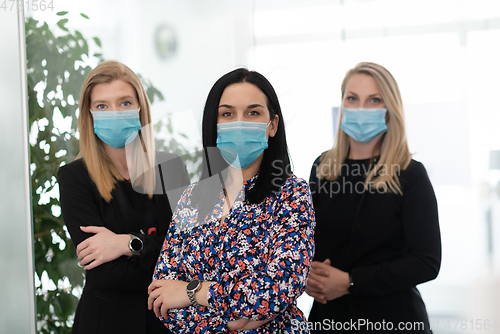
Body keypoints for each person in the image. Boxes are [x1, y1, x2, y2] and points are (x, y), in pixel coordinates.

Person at [147, 68, 316, 333]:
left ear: (272, 125)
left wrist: (194, 291)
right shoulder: (193, 198)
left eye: (253, 112)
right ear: (214, 126)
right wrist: (230, 326)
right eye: (227, 114)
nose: (240, 122)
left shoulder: (291, 194)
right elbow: (162, 294)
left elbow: (277, 290)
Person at [306, 62, 441, 333]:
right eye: (352, 98)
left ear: (389, 109)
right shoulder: (323, 167)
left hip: (392, 319)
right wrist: (307, 275)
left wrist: (351, 281)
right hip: (328, 318)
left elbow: (426, 261)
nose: (360, 108)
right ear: (342, 104)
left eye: (374, 100)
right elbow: (306, 240)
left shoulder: (409, 174)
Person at [57, 60, 189, 334]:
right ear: (89, 113)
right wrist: (156, 250)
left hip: (168, 323)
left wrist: (128, 244)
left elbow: (187, 257)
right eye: (103, 106)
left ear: (141, 108)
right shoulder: (74, 178)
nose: (114, 112)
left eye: (125, 102)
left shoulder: (171, 167)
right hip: (106, 323)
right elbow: (104, 273)